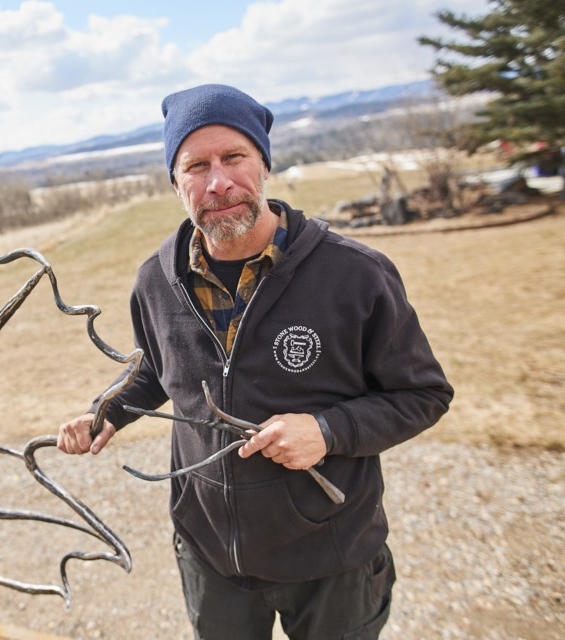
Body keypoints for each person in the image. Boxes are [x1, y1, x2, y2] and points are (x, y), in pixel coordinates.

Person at [56, 84, 453, 639]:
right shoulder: (156, 280)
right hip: (212, 554)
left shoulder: (354, 274)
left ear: (264, 163)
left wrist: (327, 430)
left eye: (234, 157)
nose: (218, 182)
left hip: (331, 555)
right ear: (176, 182)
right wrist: (108, 412)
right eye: (196, 165)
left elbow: (424, 395)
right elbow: (157, 370)